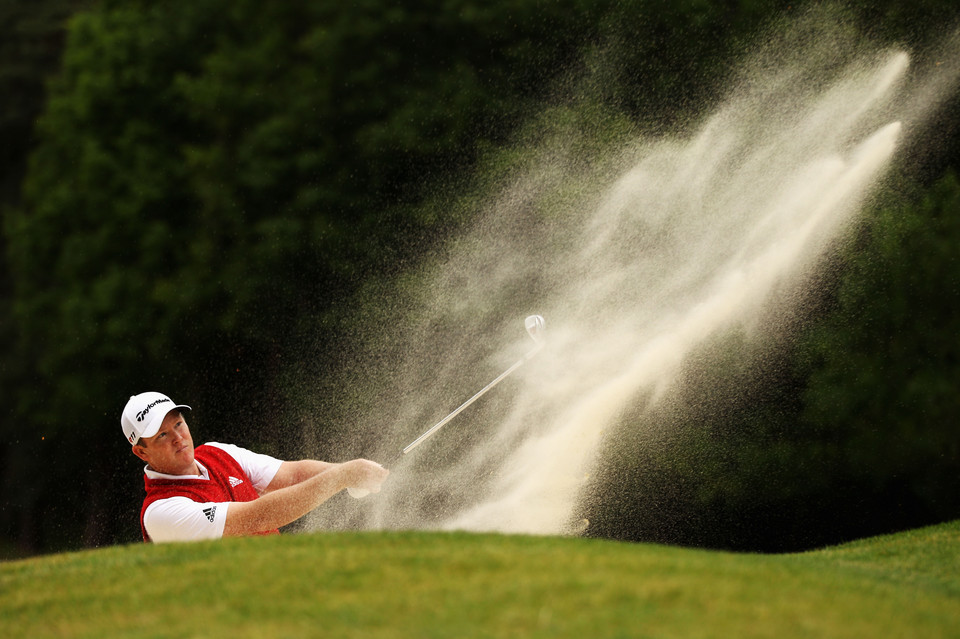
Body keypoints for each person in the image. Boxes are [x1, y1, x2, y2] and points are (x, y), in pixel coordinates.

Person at [121, 391, 389, 543]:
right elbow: (258, 516)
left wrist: (358, 474)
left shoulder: (218, 453)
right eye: (162, 436)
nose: (178, 438)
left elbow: (291, 475)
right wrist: (342, 477)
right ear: (141, 451)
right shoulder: (160, 511)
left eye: (178, 424)